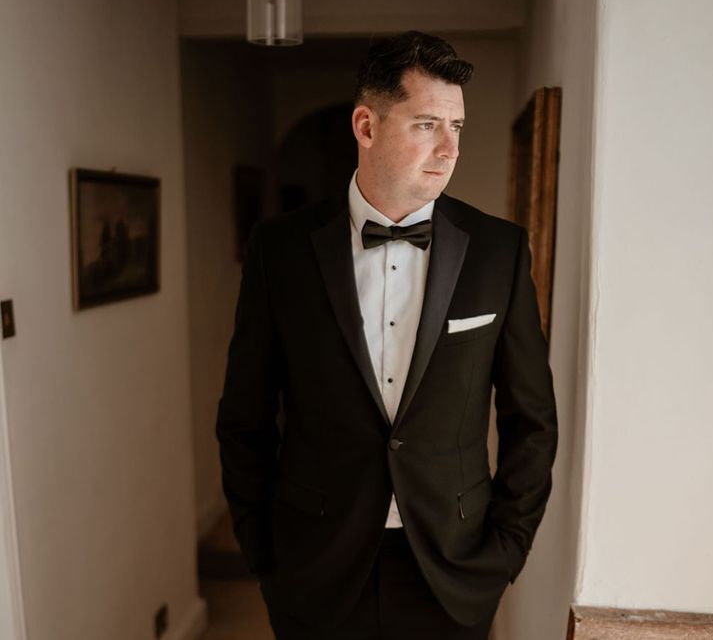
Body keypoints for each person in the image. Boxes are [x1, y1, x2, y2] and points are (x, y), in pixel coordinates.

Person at [216, 31, 558, 640]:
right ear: (366, 126)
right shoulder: (280, 251)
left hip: (453, 568)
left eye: (457, 126)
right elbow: (245, 416)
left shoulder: (499, 252)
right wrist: (263, 552)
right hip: (313, 565)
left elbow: (532, 420)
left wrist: (504, 553)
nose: (450, 148)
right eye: (427, 124)